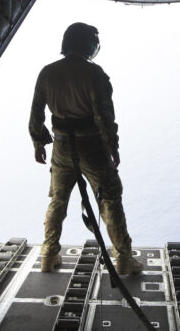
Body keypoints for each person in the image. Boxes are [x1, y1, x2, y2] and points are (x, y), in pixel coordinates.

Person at [29, 22, 143, 274]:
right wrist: (113, 146)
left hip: (60, 146)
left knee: (58, 200)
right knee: (110, 199)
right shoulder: (95, 74)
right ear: (87, 45)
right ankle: (124, 259)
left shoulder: (47, 72)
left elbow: (36, 113)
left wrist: (38, 142)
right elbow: (104, 116)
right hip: (91, 146)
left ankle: (48, 255)